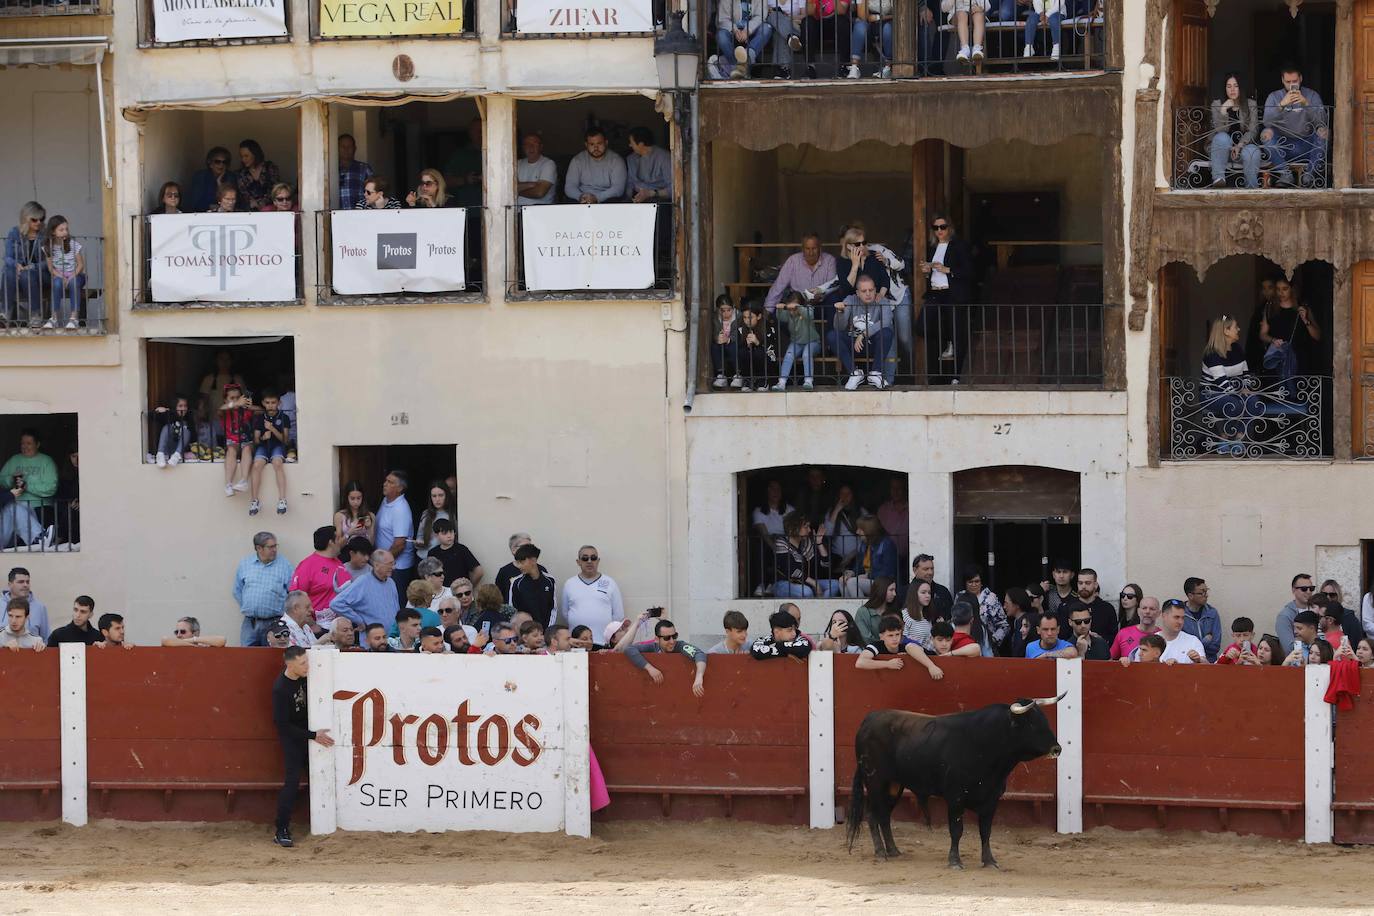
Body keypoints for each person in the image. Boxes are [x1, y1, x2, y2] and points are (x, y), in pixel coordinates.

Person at [272, 647, 334, 847]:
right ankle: (281, 829)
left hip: (308, 733)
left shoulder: (303, 678)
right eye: (302, 663)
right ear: (290, 664)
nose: (308, 666)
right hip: (293, 739)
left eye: (307, 661)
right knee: (292, 782)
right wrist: (313, 735)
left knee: (323, 776)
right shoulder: (280, 688)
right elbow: (282, 725)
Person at [917, 215, 974, 384]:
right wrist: (927, 270)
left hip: (952, 293)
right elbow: (931, 273)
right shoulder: (932, 247)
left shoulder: (959, 246)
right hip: (935, 292)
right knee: (922, 326)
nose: (940, 231)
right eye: (936, 228)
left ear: (950, 228)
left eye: (943, 227)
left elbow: (969, 271)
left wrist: (947, 269)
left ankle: (956, 376)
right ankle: (946, 341)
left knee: (958, 332)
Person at [1260, 63, 1328, 188]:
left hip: (1306, 144)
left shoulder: (1312, 95)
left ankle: (1309, 176)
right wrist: (1281, 105)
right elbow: (1266, 122)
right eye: (1288, 81)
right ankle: (1285, 174)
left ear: (1301, 79)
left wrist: (1306, 104)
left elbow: (1322, 121)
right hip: (1283, 144)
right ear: (1282, 80)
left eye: (1295, 81)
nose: (1291, 85)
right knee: (1266, 133)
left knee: (1324, 131)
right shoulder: (1274, 97)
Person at [622, 615, 707, 697]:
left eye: (674, 636)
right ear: (656, 639)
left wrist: (699, 676)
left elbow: (699, 654)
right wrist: (649, 668)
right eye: (666, 638)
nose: (672, 641)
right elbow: (629, 649)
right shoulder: (653, 646)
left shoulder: (679, 645)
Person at [232, 532, 292, 647]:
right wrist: (250, 607)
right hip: (250, 622)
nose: (275, 550)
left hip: (275, 622)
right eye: (271, 547)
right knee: (247, 657)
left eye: (275, 546)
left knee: (272, 657)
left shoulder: (285, 565)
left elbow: (292, 592)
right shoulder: (245, 564)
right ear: (259, 548)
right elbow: (237, 590)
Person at [1258, 277, 1321, 380]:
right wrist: (1273, 340)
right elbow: (1262, 334)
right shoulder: (1270, 308)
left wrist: (1306, 320)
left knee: (1299, 391)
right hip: (1277, 358)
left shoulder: (1302, 308)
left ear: (1292, 289)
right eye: (1278, 289)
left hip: (1299, 360)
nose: (1281, 292)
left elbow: (1317, 336)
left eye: (1284, 289)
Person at [1209, 72, 1262, 189]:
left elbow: (1253, 130)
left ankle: (1251, 188)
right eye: (1229, 86)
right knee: (1222, 137)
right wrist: (1223, 110)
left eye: (1236, 86)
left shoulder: (1250, 104)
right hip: (1222, 150)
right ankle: (1219, 180)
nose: (1232, 89)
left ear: (1241, 87)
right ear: (1225, 88)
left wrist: (1239, 145)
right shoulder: (1217, 105)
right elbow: (1219, 130)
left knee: (1252, 152)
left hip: (1245, 146)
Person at [1, 429, 58, 537]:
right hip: (15, 505)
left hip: (39, 506)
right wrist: (11, 479)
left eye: (29, 443)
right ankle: (41, 538)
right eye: (22, 443)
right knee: (13, 508)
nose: (25, 446)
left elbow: (51, 487)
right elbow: (1, 479)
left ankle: (40, 538)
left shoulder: (46, 461)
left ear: (37, 444)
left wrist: (27, 486)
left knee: (16, 509)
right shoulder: (14, 459)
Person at [328, 550, 401, 633]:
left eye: (393, 563)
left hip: (392, 638)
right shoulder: (363, 581)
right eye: (389, 564)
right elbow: (336, 603)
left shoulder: (391, 582)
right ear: (376, 565)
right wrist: (359, 621)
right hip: (372, 640)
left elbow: (396, 609)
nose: (393, 567)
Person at [856, 614, 945, 679]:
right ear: (881, 636)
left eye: (897, 634)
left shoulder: (905, 645)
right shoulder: (877, 645)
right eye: (890, 635)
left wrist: (931, 666)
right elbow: (860, 663)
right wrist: (888, 664)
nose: (895, 639)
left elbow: (914, 648)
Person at [561, 546, 625, 637]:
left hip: (603, 643)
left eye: (593, 558)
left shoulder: (610, 582)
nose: (589, 561)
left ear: (598, 561)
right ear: (578, 562)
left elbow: (618, 614)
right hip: (577, 643)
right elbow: (565, 613)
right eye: (585, 558)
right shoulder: (569, 584)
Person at [774, 510, 839, 598]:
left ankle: (820, 607)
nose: (809, 530)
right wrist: (814, 583)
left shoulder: (807, 543)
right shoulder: (781, 543)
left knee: (835, 584)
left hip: (806, 583)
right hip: (783, 584)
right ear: (794, 527)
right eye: (806, 526)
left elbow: (825, 566)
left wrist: (819, 543)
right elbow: (791, 570)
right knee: (806, 592)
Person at [247, 389, 290, 517]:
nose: (270, 405)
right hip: (263, 446)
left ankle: (282, 500)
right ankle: (255, 501)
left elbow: (285, 440)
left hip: (278, 445)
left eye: (273, 402)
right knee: (256, 465)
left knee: (277, 463)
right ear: (263, 403)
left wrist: (272, 429)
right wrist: (263, 438)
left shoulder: (284, 417)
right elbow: (256, 439)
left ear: (279, 403)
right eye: (267, 402)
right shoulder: (260, 418)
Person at [375, 470, 417, 602]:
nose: (385, 484)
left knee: (394, 602)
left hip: (397, 567)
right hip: (387, 564)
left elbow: (399, 544)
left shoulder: (400, 509)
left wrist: (383, 564)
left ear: (400, 488)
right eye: (386, 480)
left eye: (390, 482)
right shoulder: (386, 501)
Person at [1125, 599, 1206, 665]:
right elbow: (1137, 668)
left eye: (1182, 618)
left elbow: (1207, 668)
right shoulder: (1149, 641)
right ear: (1164, 616)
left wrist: (1199, 660)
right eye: (1176, 617)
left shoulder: (1193, 641)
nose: (1180, 621)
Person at [4, 202, 46, 328]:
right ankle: (5, 314)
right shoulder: (14, 233)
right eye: (34, 219)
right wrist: (16, 265)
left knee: (26, 274)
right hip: (18, 274)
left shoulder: (45, 234)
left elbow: (49, 262)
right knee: (8, 271)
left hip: (40, 273)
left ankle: (35, 315)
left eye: (41, 219)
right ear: (25, 218)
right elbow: (7, 257)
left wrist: (33, 267)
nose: (38, 222)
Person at [289, 527, 346, 618]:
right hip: (317, 627)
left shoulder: (339, 563)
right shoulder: (307, 566)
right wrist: (312, 624)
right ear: (331, 542)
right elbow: (296, 600)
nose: (342, 541)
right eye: (338, 538)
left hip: (337, 625)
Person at [771, 290, 820, 391]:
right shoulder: (789, 314)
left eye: (794, 308)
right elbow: (781, 317)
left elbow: (810, 315)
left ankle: (808, 380)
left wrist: (798, 307)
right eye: (790, 308)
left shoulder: (807, 309)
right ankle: (782, 382)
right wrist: (779, 309)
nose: (792, 311)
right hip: (796, 342)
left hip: (813, 342)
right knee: (789, 355)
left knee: (806, 354)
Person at [43, 215, 85, 331]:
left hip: (76, 274)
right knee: (56, 283)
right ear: (52, 231)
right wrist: (62, 276)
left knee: (74, 283)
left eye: (66, 229)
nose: (65, 232)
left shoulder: (73, 244)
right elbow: (51, 269)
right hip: (59, 275)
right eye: (61, 230)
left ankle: (74, 319)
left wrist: (71, 276)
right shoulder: (47, 247)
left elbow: (81, 265)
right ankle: (54, 318)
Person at [565, 128, 627, 204]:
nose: (596, 148)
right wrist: (580, 196)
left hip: (606, 199)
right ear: (586, 145)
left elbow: (618, 188)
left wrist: (597, 198)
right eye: (592, 144)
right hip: (582, 199)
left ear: (606, 143)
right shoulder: (577, 160)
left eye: (599, 143)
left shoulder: (616, 160)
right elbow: (570, 186)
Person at [956, 567, 1009, 656]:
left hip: (985, 643)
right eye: (970, 582)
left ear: (981, 583)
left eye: (977, 581)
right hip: (962, 644)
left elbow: (1003, 625)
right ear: (965, 583)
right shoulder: (959, 597)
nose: (973, 585)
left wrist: (992, 640)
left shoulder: (991, 598)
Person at [716, 0, 773, 78]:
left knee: (767, 28)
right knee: (721, 36)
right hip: (732, 30)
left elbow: (760, 16)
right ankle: (738, 68)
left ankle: (745, 59)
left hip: (752, 30)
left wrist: (747, 30)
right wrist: (735, 30)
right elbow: (723, 19)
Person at [1060, 567, 1118, 643]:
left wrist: (1100, 640)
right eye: (1080, 583)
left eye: (1087, 583)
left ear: (1095, 585)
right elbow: (1061, 636)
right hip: (1073, 651)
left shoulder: (1107, 608)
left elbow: (1114, 637)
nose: (1083, 586)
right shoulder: (1066, 608)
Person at [218, 382, 255, 498]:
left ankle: (244, 481)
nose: (236, 400)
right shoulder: (225, 411)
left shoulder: (245, 410)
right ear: (225, 400)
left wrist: (249, 406)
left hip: (246, 442)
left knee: (247, 448)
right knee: (231, 451)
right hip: (232, 442)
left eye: (238, 398)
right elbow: (220, 409)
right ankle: (228, 484)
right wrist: (235, 404)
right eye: (231, 398)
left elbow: (259, 410)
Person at [508, 543, 557, 628]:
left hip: (544, 633)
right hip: (525, 633)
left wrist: (548, 629)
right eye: (518, 562)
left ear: (533, 560)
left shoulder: (550, 581)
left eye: (522, 562)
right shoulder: (517, 583)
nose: (519, 566)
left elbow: (553, 608)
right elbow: (513, 610)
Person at [735, 301, 779, 392]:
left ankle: (763, 380)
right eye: (745, 317)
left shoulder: (768, 328)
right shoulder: (741, 328)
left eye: (750, 317)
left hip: (767, 364)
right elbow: (738, 348)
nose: (747, 320)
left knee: (759, 352)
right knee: (742, 352)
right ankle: (748, 380)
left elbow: (772, 353)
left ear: (759, 316)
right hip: (749, 364)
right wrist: (746, 345)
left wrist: (758, 343)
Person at [441, 118, 484, 209]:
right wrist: (466, 180)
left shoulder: (497, 153)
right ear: (470, 133)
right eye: (477, 131)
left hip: (495, 209)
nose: (481, 134)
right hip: (466, 209)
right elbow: (444, 181)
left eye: (483, 130)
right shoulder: (459, 156)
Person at [1201, 316, 1248, 397]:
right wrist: (1239, 395)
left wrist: (1246, 389)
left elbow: (1246, 374)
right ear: (1226, 331)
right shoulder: (1212, 353)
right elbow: (1222, 383)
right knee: (1234, 405)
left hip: (1236, 393)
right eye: (1236, 327)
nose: (1239, 329)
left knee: (1254, 402)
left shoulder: (1237, 349)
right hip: (1213, 395)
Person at [1179, 576, 1222, 662]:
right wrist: (1205, 641)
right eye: (1201, 593)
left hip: (1210, 662)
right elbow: (1181, 646)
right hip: (1187, 663)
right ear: (1190, 595)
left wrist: (1194, 646)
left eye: (1206, 591)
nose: (1206, 595)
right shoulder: (1180, 614)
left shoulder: (1212, 613)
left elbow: (1215, 646)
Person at [626, 127, 672, 203]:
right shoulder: (631, 159)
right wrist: (628, 202)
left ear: (641, 144)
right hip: (636, 201)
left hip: (659, 201)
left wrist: (651, 193)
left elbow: (673, 188)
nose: (630, 145)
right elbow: (630, 183)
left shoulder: (664, 157)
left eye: (631, 142)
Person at [235, 139, 282, 212]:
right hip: (249, 212)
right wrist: (252, 203)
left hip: (271, 210)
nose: (243, 159)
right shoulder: (241, 173)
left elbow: (276, 189)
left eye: (246, 156)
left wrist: (261, 203)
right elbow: (243, 194)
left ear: (255, 154)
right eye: (241, 156)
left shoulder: (270, 168)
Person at [905, 553, 954, 622]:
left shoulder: (943, 592)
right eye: (926, 569)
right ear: (915, 570)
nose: (930, 572)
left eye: (932, 568)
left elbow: (951, 616)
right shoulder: (904, 592)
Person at [2, 568, 49, 640]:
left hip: (31, 650)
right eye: (21, 582)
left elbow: (46, 638)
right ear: (10, 584)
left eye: (27, 582)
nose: (25, 585)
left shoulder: (39, 607)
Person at [413, 481, 454, 561]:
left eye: (441, 495)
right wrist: (419, 542)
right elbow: (420, 535)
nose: (437, 499)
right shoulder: (426, 514)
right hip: (422, 557)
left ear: (446, 496)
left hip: (441, 559)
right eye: (434, 496)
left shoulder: (451, 515)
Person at [494, 532, 544, 599]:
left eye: (530, 546)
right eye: (525, 547)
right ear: (513, 550)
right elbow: (498, 598)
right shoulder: (504, 572)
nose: (529, 550)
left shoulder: (541, 570)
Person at [749, 609, 814, 661]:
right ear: (777, 631)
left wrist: (776, 647)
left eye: (794, 629)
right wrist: (786, 654)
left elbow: (804, 648)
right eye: (789, 630)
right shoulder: (762, 640)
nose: (794, 633)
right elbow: (756, 651)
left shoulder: (799, 638)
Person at [1110, 595, 1160, 660]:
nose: (1147, 612)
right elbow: (1110, 661)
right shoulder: (1123, 633)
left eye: (1152, 609)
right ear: (1138, 611)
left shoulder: (1162, 636)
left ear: (1158, 613)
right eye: (1144, 608)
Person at [1277, 572, 1316, 652]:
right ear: (1293, 590)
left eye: (1311, 588)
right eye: (1304, 589)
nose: (1308, 592)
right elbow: (1289, 648)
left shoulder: (1316, 610)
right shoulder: (1285, 616)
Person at [515, 132, 558, 206]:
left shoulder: (548, 164)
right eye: (527, 144)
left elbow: (539, 193)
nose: (531, 147)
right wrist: (532, 184)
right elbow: (509, 187)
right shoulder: (516, 164)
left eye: (535, 143)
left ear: (541, 147)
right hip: (517, 210)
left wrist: (516, 191)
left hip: (540, 210)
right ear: (523, 148)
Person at [710, 294, 743, 388]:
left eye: (729, 310)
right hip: (721, 343)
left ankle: (738, 375)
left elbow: (739, 333)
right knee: (714, 346)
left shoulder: (738, 316)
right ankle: (721, 376)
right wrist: (717, 338)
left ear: (733, 308)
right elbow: (713, 332)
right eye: (722, 310)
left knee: (733, 346)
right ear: (717, 309)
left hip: (734, 342)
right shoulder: (715, 318)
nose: (726, 313)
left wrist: (729, 339)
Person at [152, 395, 195, 468]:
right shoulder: (169, 415)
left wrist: (190, 451)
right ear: (175, 407)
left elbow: (193, 436)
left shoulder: (189, 420)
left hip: (179, 452)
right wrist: (158, 411)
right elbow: (152, 417)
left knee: (186, 430)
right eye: (180, 406)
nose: (183, 408)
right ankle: (160, 454)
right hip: (167, 449)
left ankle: (176, 456)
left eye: (185, 406)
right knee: (167, 427)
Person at [854, 577, 899, 645]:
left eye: (894, 590)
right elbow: (866, 638)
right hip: (869, 652)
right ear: (881, 590)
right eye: (891, 590)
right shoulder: (863, 612)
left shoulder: (894, 611)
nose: (894, 594)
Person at [188, 147, 233, 212]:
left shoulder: (230, 177)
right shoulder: (200, 177)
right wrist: (212, 206)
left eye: (224, 162)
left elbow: (233, 202)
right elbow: (194, 203)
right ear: (210, 163)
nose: (221, 165)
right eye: (217, 162)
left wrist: (219, 184)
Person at [337, 134, 373, 210]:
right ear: (337, 148)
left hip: (360, 216)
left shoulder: (364, 169)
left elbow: (373, 194)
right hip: (336, 217)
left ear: (354, 148)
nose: (346, 149)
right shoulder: (331, 170)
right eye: (342, 146)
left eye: (349, 146)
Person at [334, 481, 375, 546]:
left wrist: (369, 528)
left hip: (364, 552)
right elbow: (338, 544)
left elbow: (371, 543)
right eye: (352, 498)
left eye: (359, 498)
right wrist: (349, 533)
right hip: (346, 552)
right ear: (347, 498)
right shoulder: (339, 515)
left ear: (363, 497)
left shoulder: (370, 515)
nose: (356, 502)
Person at [901, 579, 937, 650]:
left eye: (929, 593)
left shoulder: (927, 616)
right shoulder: (905, 615)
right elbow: (902, 639)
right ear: (914, 594)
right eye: (923, 592)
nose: (927, 596)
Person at [1000, 587, 1034, 658]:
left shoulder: (1027, 622)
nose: (1004, 607)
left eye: (1007, 603)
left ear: (1017, 605)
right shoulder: (1015, 621)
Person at [160, 616, 228, 648]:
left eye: (183, 632)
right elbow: (165, 640)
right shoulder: (172, 645)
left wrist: (194, 639)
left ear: (195, 633)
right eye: (176, 632)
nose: (178, 635)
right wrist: (193, 645)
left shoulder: (202, 646)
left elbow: (222, 640)